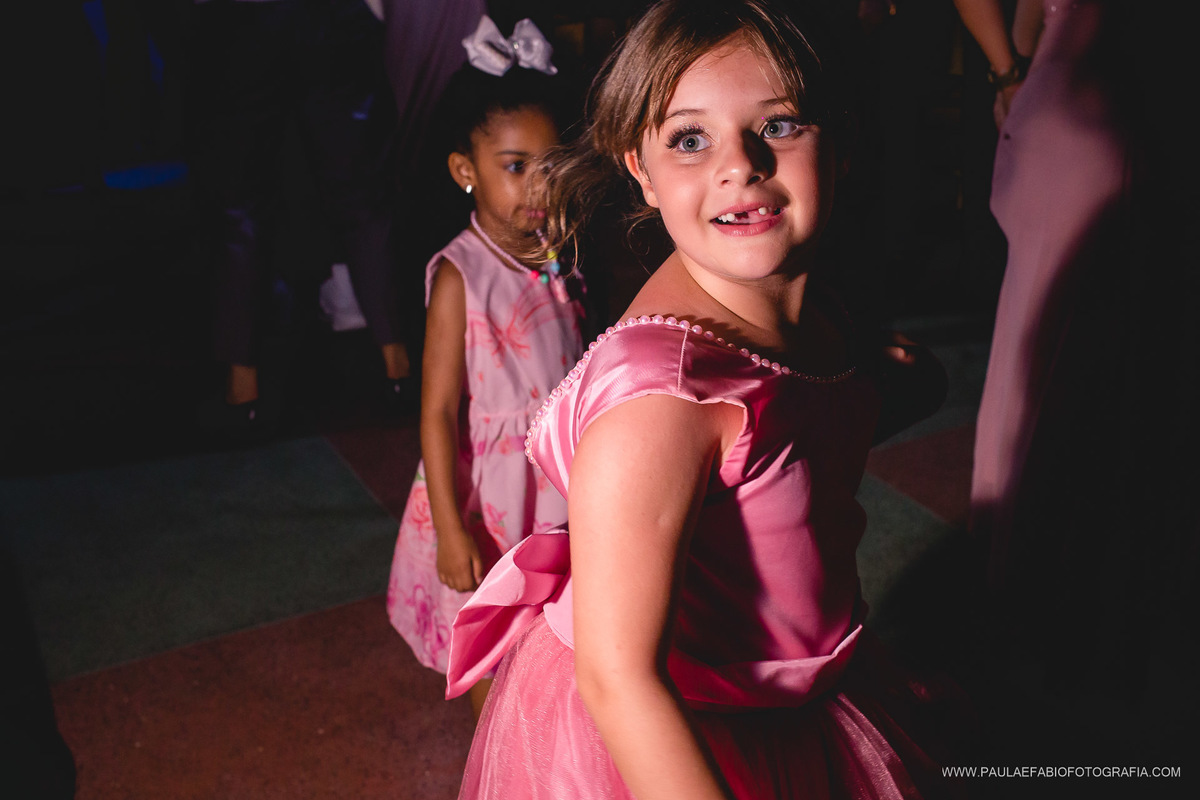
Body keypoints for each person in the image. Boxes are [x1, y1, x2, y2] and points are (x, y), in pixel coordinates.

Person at [443, 2, 957, 797]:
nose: (740, 164)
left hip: (794, 683)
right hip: (681, 726)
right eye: (690, 139)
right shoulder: (662, 400)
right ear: (639, 170)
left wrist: (878, 395)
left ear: (842, 141)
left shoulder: (816, 312)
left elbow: (780, 451)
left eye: (779, 126)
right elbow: (620, 684)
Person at [385, 20, 585, 722]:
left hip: (554, 487)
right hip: (492, 501)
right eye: (514, 165)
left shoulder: (561, 253)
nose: (538, 186)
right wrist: (449, 525)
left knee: (556, 635)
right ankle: (496, 763)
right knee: (492, 644)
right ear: (465, 170)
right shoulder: (459, 277)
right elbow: (438, 411)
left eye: (550, 165)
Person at [192, 0, 414, 435]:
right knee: (362, 195)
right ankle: (398, 372)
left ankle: (244, 394)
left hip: (247, 20)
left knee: (242, 206)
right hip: (331, 16)